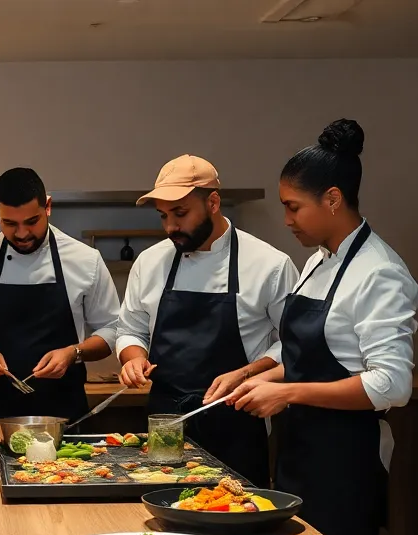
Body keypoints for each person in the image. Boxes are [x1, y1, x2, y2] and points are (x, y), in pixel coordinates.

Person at [227, 119, 418, 535]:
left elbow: (391, 385)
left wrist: (288, 391)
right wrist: (260, 375)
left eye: (294, 207)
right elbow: (310, 353)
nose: (287, 219)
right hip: (298, 451)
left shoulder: (380, 272)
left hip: (344, 461)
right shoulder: (317, 261)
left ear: (332, 199)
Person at [117, 155, 297, 486]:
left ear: (213, 202)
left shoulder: (269, 265)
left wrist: (245, 372)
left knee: (237, 520)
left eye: (180, 214)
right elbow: (130, 329)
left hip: (236, 425)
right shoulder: (150, 262)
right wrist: (133, 358)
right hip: (166, 428)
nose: (170, 226)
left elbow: (295, 346)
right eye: (163, 216)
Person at [0, 168, 120, 436]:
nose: (22, 234)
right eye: (9, 223)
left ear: (48, 206)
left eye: (31, 221)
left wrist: (74, 353)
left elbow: (113, 328)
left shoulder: (85, 260)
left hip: (62, 415)